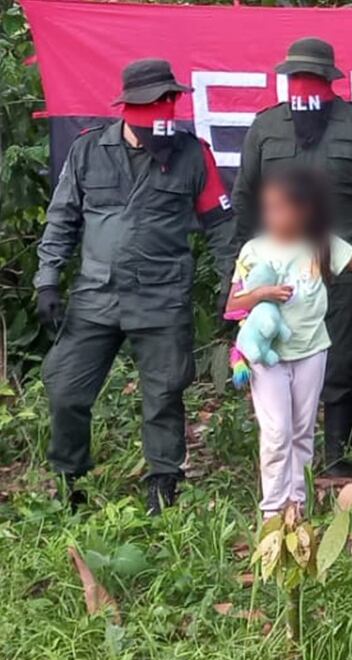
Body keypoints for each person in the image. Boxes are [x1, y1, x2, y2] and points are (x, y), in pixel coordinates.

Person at [34, 59, 236, 514]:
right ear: (129, 106)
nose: (165, 109)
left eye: (171, 100)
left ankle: (162, 490)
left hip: (162, 299)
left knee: (163, 396)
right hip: (96, 298)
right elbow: (62, 218)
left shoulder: (190, 153)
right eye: (155, 102)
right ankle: (71, 484)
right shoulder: (88, 151)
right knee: (65, 388)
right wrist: (48, 280)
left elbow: (221, 225)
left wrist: (232, 285)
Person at [232, 37, 352, 477]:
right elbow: (245, 198)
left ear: (330, 82)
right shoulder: (265, 127)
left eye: (313, 81)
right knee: (276, 356)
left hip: (341, 264)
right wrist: (242, 272)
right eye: (297, 81)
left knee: (341, 358)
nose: (305, 89)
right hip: (278, 272)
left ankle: (337, 460)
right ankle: (281, 460)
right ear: (287, 82)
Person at [226, 167, 352, 518]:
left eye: (281, 208)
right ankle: (272, 513)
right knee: (276, 433)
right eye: (268, 209)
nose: (273, 216)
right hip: (267, 357)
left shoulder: (322, 245)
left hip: (311, 351)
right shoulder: (254, 250)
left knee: (301, 433)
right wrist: (262, 293)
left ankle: (296, 508)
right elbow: (233, 305)